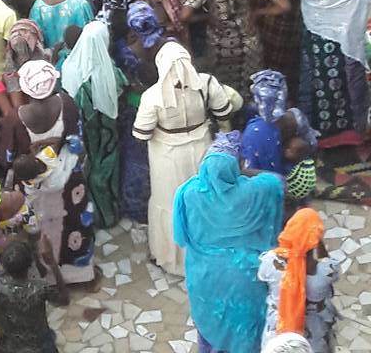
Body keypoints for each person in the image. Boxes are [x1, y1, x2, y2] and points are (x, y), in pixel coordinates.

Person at [173, 138, 284, 353]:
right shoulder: (253, 192)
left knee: (211, 324)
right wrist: (245, 172)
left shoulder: (189, 193)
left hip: (205, 276)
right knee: (246, 331)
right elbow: (277, 182)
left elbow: (183, 233)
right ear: (236, 167)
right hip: (246, 278)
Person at [133, 41, 233, 274]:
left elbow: (141, 134)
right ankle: (206, 250)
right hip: (202, 151)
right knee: (203, 201)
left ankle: (173, 259)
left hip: (167, 159)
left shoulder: (152, 96)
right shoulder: (207, 83)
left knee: (170, 204)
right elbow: (224, 112)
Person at [0, 60, 96, 284]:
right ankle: (81, 274)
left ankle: (49, 278)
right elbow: (77, 139)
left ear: (25, 88)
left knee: (41, 230)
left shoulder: (15, 118)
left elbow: (6, 158)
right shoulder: (67, 104)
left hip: (35, 188)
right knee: (74, 223)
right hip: (69, 183)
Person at [299, 0, 371, 141]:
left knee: (324, 86)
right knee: (355, 85)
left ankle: (326, 131)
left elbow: (309, 19)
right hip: (352, 44)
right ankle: (357, 128)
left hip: (322, 47)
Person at [61, 19, 126, 228]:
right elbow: (123, 91)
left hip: (83, 133)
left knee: (87, 172)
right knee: (106, 172)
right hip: (106, 133)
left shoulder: (70, 65)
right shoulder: (109, 71)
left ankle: (89, 213)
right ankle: (108, 215)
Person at [258, 208, 338, 353]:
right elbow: (332, 267)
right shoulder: (326, 270)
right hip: (314, 335)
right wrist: (318, 245)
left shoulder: (270, 260)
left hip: (277, 331)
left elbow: (262, 277)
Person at [0, 235, 69, 353]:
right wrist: (53, 263)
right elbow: (65, 300)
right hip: (40, 344)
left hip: (13, 345)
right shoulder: (40, 288)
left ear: (4, 266)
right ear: (29, 265)